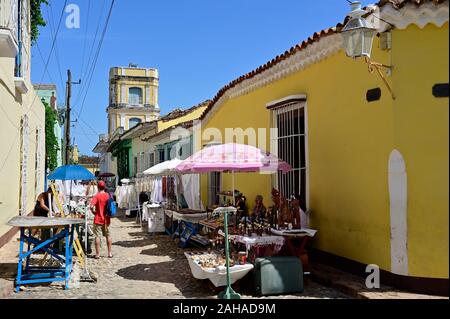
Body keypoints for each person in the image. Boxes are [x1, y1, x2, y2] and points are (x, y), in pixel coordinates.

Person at [90, 181, 113, 259]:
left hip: (98, 219)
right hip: (106, 219)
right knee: (108, 235)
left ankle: (97, 254)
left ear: (98, 187)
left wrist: (94, 212)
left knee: (97, 236)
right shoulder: (108, 195)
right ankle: (109, 253)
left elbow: (91, 206)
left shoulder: (97, 196)